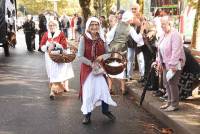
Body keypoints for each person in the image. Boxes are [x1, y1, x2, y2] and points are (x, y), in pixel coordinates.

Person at [78, 17, 117, 124]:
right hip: (87, 70)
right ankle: (87, 115)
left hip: (99, 70)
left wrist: (102, 57)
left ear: (99, 26)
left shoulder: (102, 38)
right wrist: (91, 64)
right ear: (88, 27)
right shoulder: (83, 38)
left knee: (103, 90)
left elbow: (108, 53)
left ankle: (105, 110)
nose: (94, 27)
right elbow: (80, 56)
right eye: (92, 25)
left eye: (96, 24)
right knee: (88, 93)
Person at [107, 10, 145, 95]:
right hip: (122, 51)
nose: (132, 20)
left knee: (111, 68)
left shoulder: (117, 25)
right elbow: (138, 39)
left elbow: (109, 36)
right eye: (131, 19)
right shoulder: (130, 28)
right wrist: (141, 31)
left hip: (112, 49)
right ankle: (123, 89)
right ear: (129, 19)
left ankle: (110, 88)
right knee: (121, 68)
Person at [40, 19, 74, 100]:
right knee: (52, 73)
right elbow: (41, 45)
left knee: (57, 74)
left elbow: (64, 46)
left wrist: (55, 45)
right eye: (50, 25)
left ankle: (52, 91)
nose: (51, 27)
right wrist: (47, 47)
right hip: (49, 58)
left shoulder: (60, 34)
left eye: (53, 25)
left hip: (59, 57)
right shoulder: (46, 34)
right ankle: (56, 89)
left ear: (56, 26)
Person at [156, 16, 185, 112]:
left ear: (170, 24)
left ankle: (174, 104)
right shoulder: (163, 34)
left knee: (172, 83)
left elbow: (176, 51)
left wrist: (173, 65)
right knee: (166, 82)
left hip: (175, 63)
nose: (162, 26)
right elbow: (159, 48)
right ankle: (169, 102)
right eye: (161, 24)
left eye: (164, 24)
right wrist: (159, 61)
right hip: (165, 63)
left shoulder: (175, 34)